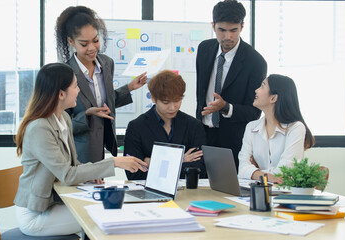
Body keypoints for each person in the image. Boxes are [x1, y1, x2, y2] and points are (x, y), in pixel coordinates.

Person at [14, 63, 147, 237]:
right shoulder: (39, 128)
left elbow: (74, 164)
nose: (78, 91)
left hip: (53, 205)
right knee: (102, 216)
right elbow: (68, 174)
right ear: (61, 94)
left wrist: (91, 175)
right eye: (75, 86)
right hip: (35, 214)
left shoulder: (64, 119)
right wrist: (114, 162)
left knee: (107, 208)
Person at [55, 6, 147, 163]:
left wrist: (130, 87)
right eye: (84, 44)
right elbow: (60, 122)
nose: (92, 48)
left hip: (102, 145)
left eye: (96, 40)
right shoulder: (64, 72)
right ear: (71, 42)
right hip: (77, 150)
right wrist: (87, 114)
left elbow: (106, 103)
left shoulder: (106, 63)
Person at [196, 0, 267, 171]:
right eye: (222, 30)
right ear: (213, 26)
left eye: (233, 30)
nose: (227, 36)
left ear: (242, 26)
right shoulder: (204, 49)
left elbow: (254, 112)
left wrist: (225, 107)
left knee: (228, 192)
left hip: (234, 141)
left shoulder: (255, 62)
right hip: (202, 134)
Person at [124, 70, 207, 180]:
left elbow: (199, 170)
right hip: (149, 193)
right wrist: (180, 161)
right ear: (153, 98)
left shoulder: (194, 125)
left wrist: (152, 163)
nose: (172, 108)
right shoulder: (136, 127)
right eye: (166, 102)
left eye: (177, 100)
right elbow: (134, 173)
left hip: (187, 192)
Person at [237, 74, 315, 183]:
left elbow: (284, 173)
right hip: (259, 190)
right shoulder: (251, 127)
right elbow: (242, 169)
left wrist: (255, 172)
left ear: (273, 98)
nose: (256, 90)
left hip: (285, 193)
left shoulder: (296, 128)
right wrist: (269, 177)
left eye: (262, 86)